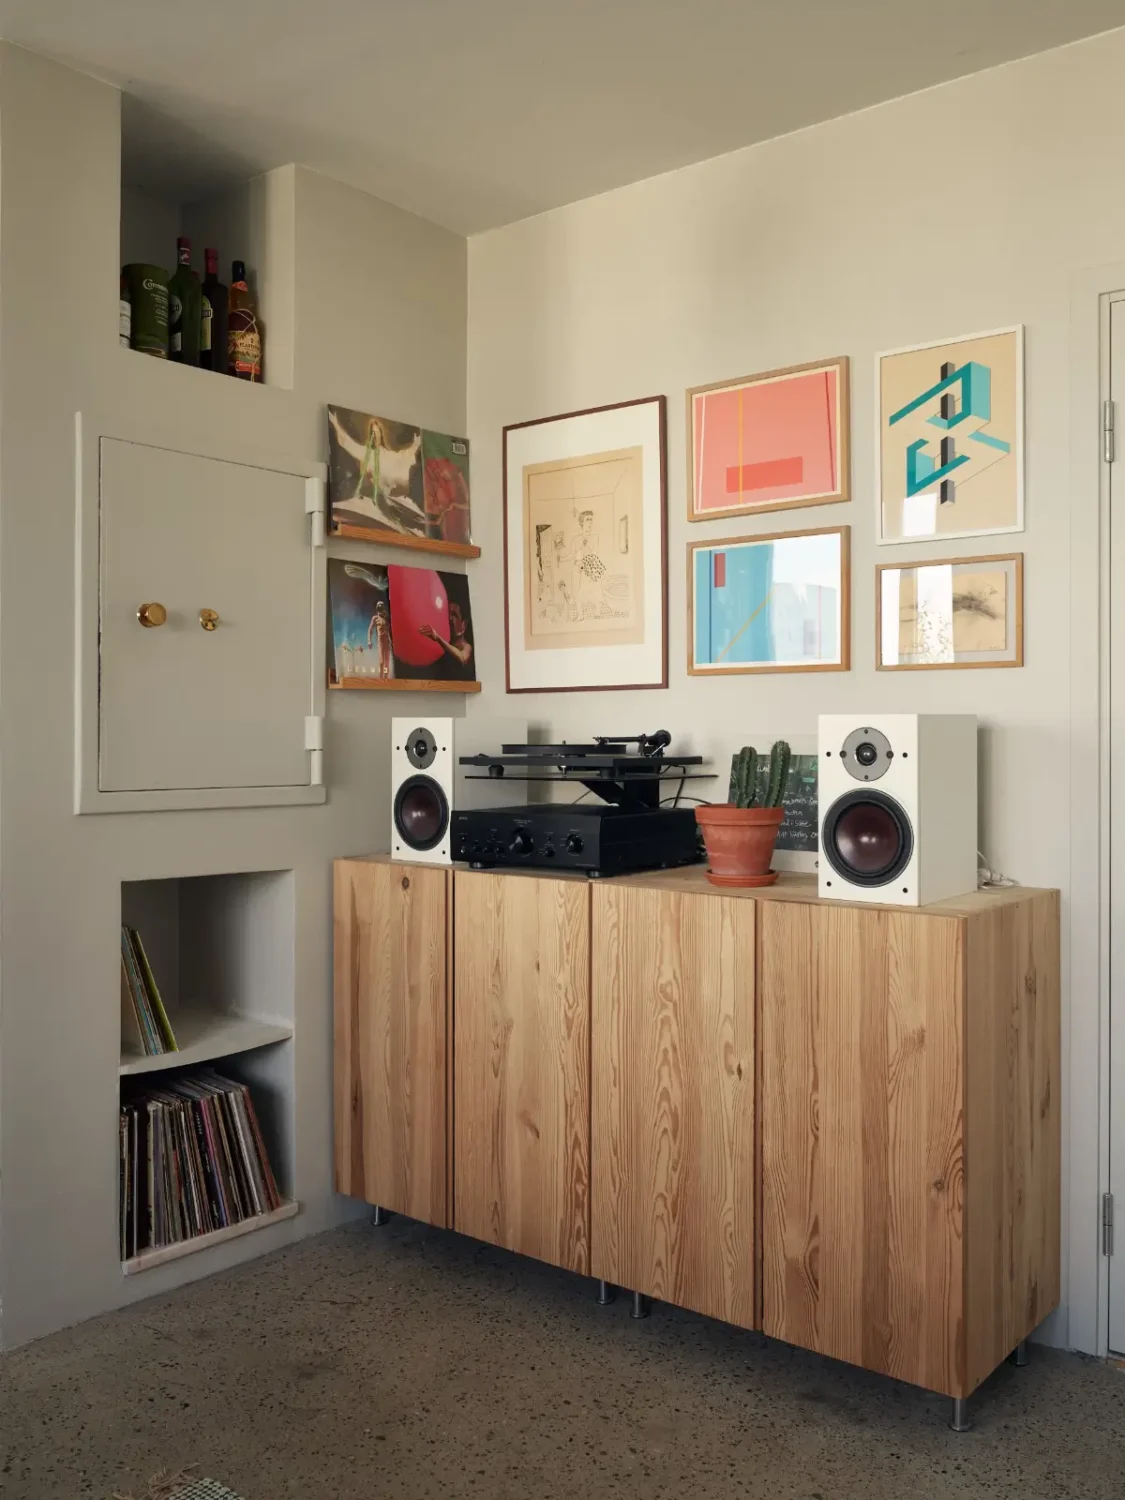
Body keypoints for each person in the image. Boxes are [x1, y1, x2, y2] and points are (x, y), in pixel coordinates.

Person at [419, 599, 473, 674]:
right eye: (448, 614)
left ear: (464, 624)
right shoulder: (441, 649)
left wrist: (438, 638)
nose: (450, 618)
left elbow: (463, 658)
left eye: (454, 615)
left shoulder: (466, 646)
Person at [366, 598, 393, 679]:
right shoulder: (375, 618)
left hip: (387, 642)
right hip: (380, 642)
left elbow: (389, 632)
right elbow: (370, 629)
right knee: (381, 662)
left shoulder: (386, 619)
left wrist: (391, 643)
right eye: (379, 608)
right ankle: (381, 678)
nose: (381, 609)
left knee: (387, 663)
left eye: (382, 607)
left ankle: (385, 679)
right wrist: (369, 641)